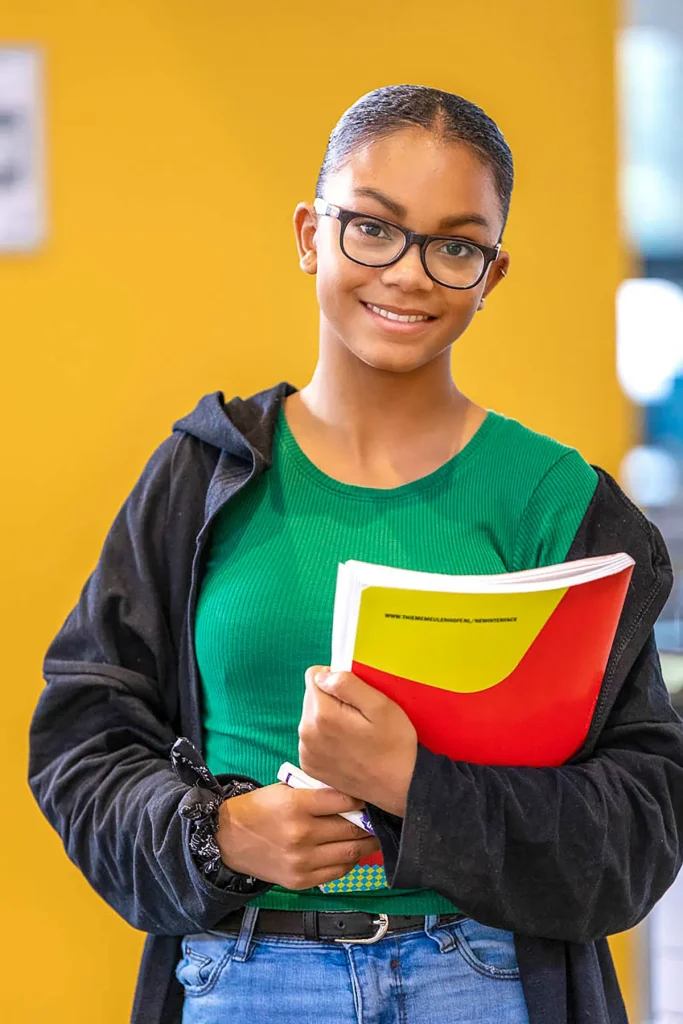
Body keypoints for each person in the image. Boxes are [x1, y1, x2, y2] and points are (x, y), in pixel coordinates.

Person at [28, 84, 683, 1024]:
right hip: (246, 979)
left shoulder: (563, 505)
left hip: (487, 977)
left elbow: (641, 822)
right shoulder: (203, 474)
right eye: (372, 229)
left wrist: (417, 791)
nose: (409, 273)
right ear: (309, 235)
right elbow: (80, 745)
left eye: (455, 245)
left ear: (491, 274)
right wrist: (219, 835)